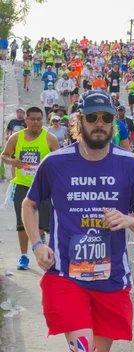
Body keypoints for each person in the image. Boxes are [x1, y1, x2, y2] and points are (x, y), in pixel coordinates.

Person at [21, 91, 134, 352]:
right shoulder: (55, 162)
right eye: (92, 117)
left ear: (114, 123)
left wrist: (128, 221)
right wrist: (37, 245)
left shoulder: (132, 165)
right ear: (78, 120)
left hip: (111, 281)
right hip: (66, 276)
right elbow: (29, 205)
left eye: (106, 118)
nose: (99, 124)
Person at [1, 106, 59, 270]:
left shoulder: (50, 138)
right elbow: (4, 155)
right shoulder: (16, 137)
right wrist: (13, 161)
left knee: (42, 223)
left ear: (43, 120)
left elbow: (59, 161)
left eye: (39, 119)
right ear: (26, 120)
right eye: (32, 119)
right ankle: (24, 256)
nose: (35, 122)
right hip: (22, 184)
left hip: (43, 186)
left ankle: (41, 250)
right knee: (21, 223)